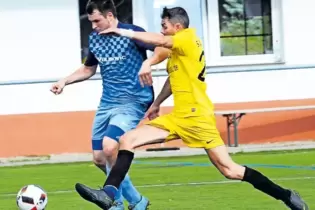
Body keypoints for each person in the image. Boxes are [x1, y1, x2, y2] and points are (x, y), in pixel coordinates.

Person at [74, 6, 309, 210]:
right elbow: (172, 79)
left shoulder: (187, 38)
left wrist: (123, 31)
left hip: (198, 118)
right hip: (178, 118)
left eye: (164, 25)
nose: (162, 29)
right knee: (126, 140)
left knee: (230, 170)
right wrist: (157, 103)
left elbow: (161, 41)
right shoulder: (178, 51)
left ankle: (286, 196)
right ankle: (109, 194)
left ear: (177, 26)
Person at [50, 0, 169, 209]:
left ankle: (114, 202)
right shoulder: (95, 38)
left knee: (110, 146)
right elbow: (88, 69)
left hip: (134, 100)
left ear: (110, 16)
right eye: (91, 21)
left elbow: (164, 46)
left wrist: (147, 63)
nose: (93, 25)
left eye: (97, 20)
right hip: (108, 103)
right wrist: (64, 81)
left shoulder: (132, 33)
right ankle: (137, 201)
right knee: (98, 158)